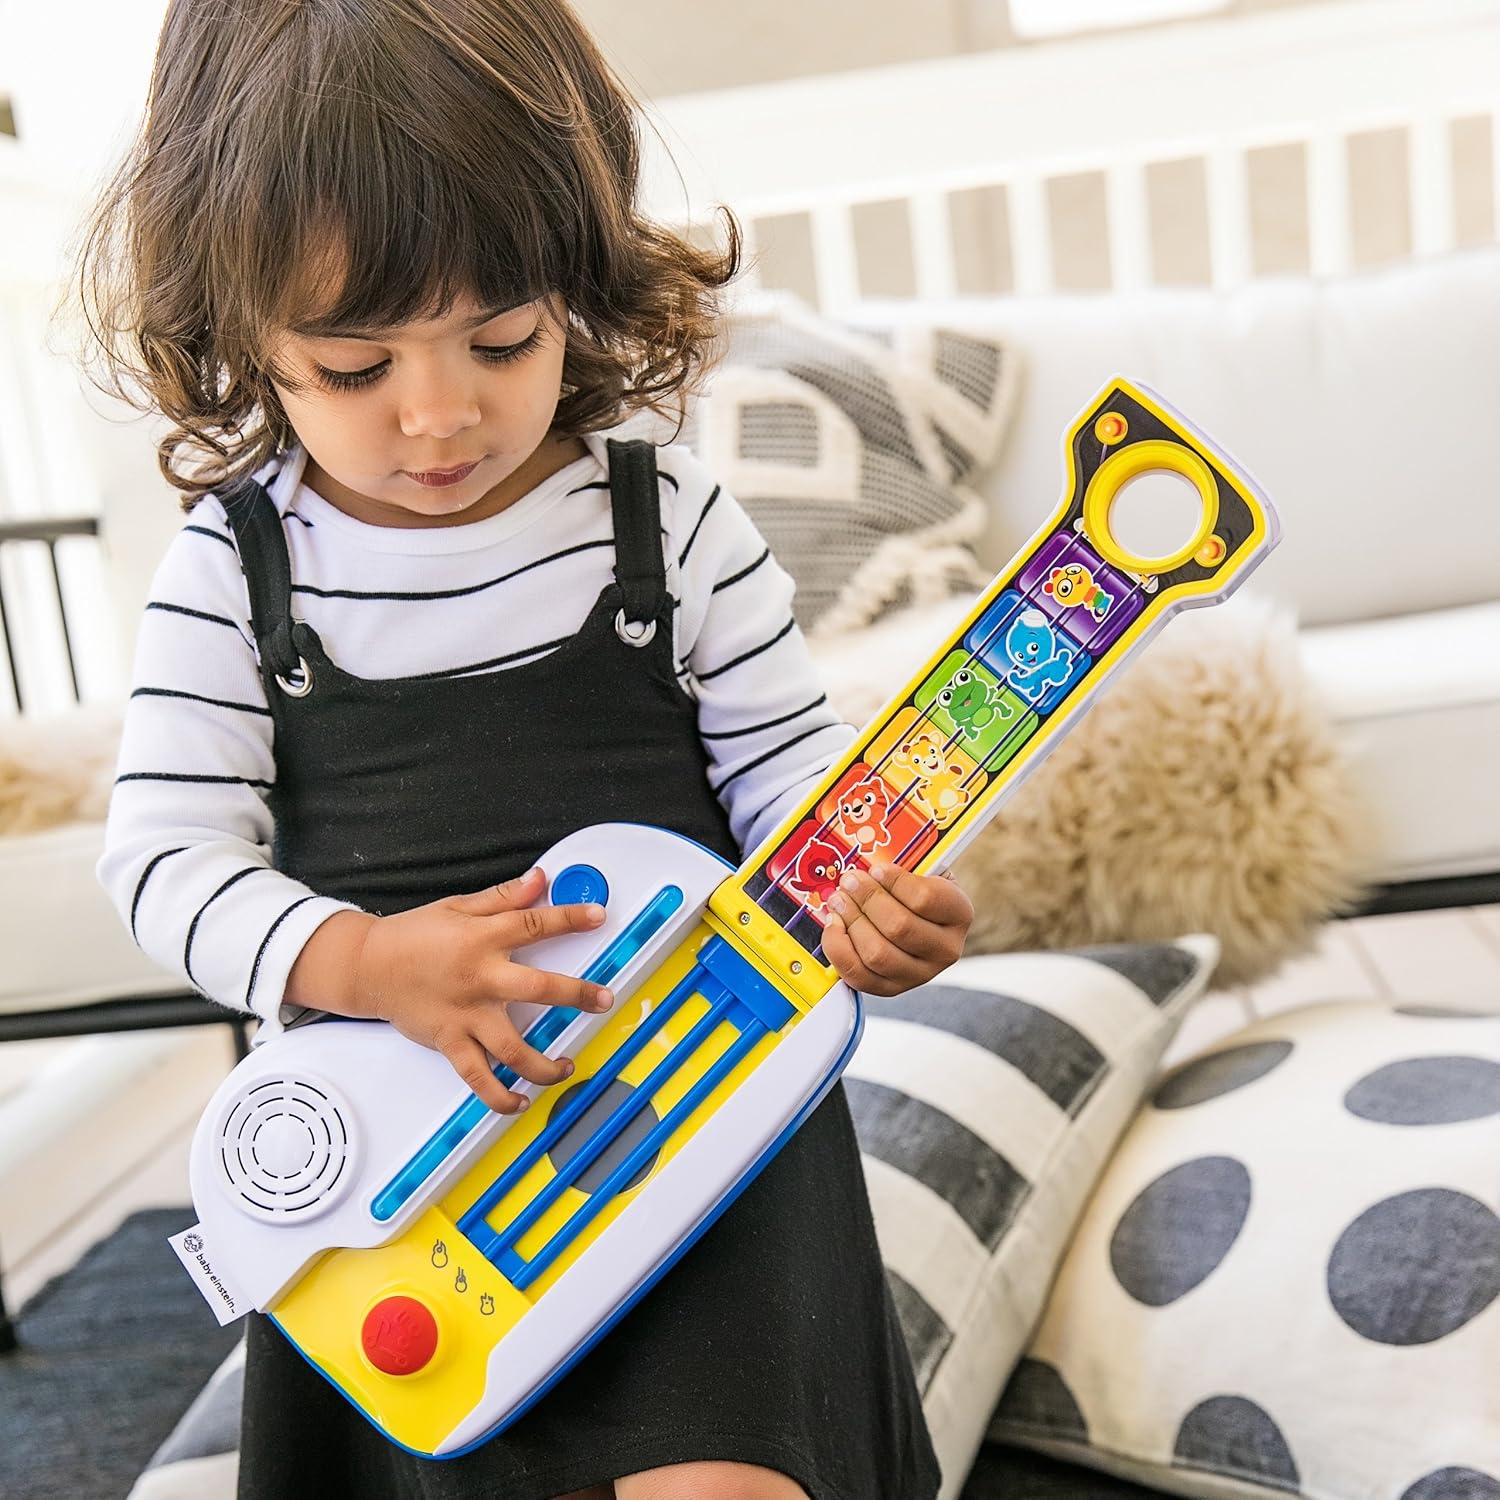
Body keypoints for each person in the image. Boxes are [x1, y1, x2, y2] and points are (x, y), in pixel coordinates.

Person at [78, 3, 972, 1497]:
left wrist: (866, 899)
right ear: (244, 337)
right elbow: (163, 865)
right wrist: (366, 963)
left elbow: (797, 793)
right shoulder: (233, 573)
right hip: (410, 1182)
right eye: (353, 368)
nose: (438, 415)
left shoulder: (669, 524)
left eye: (502, 341)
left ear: (577, 285)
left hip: (695, 1131)